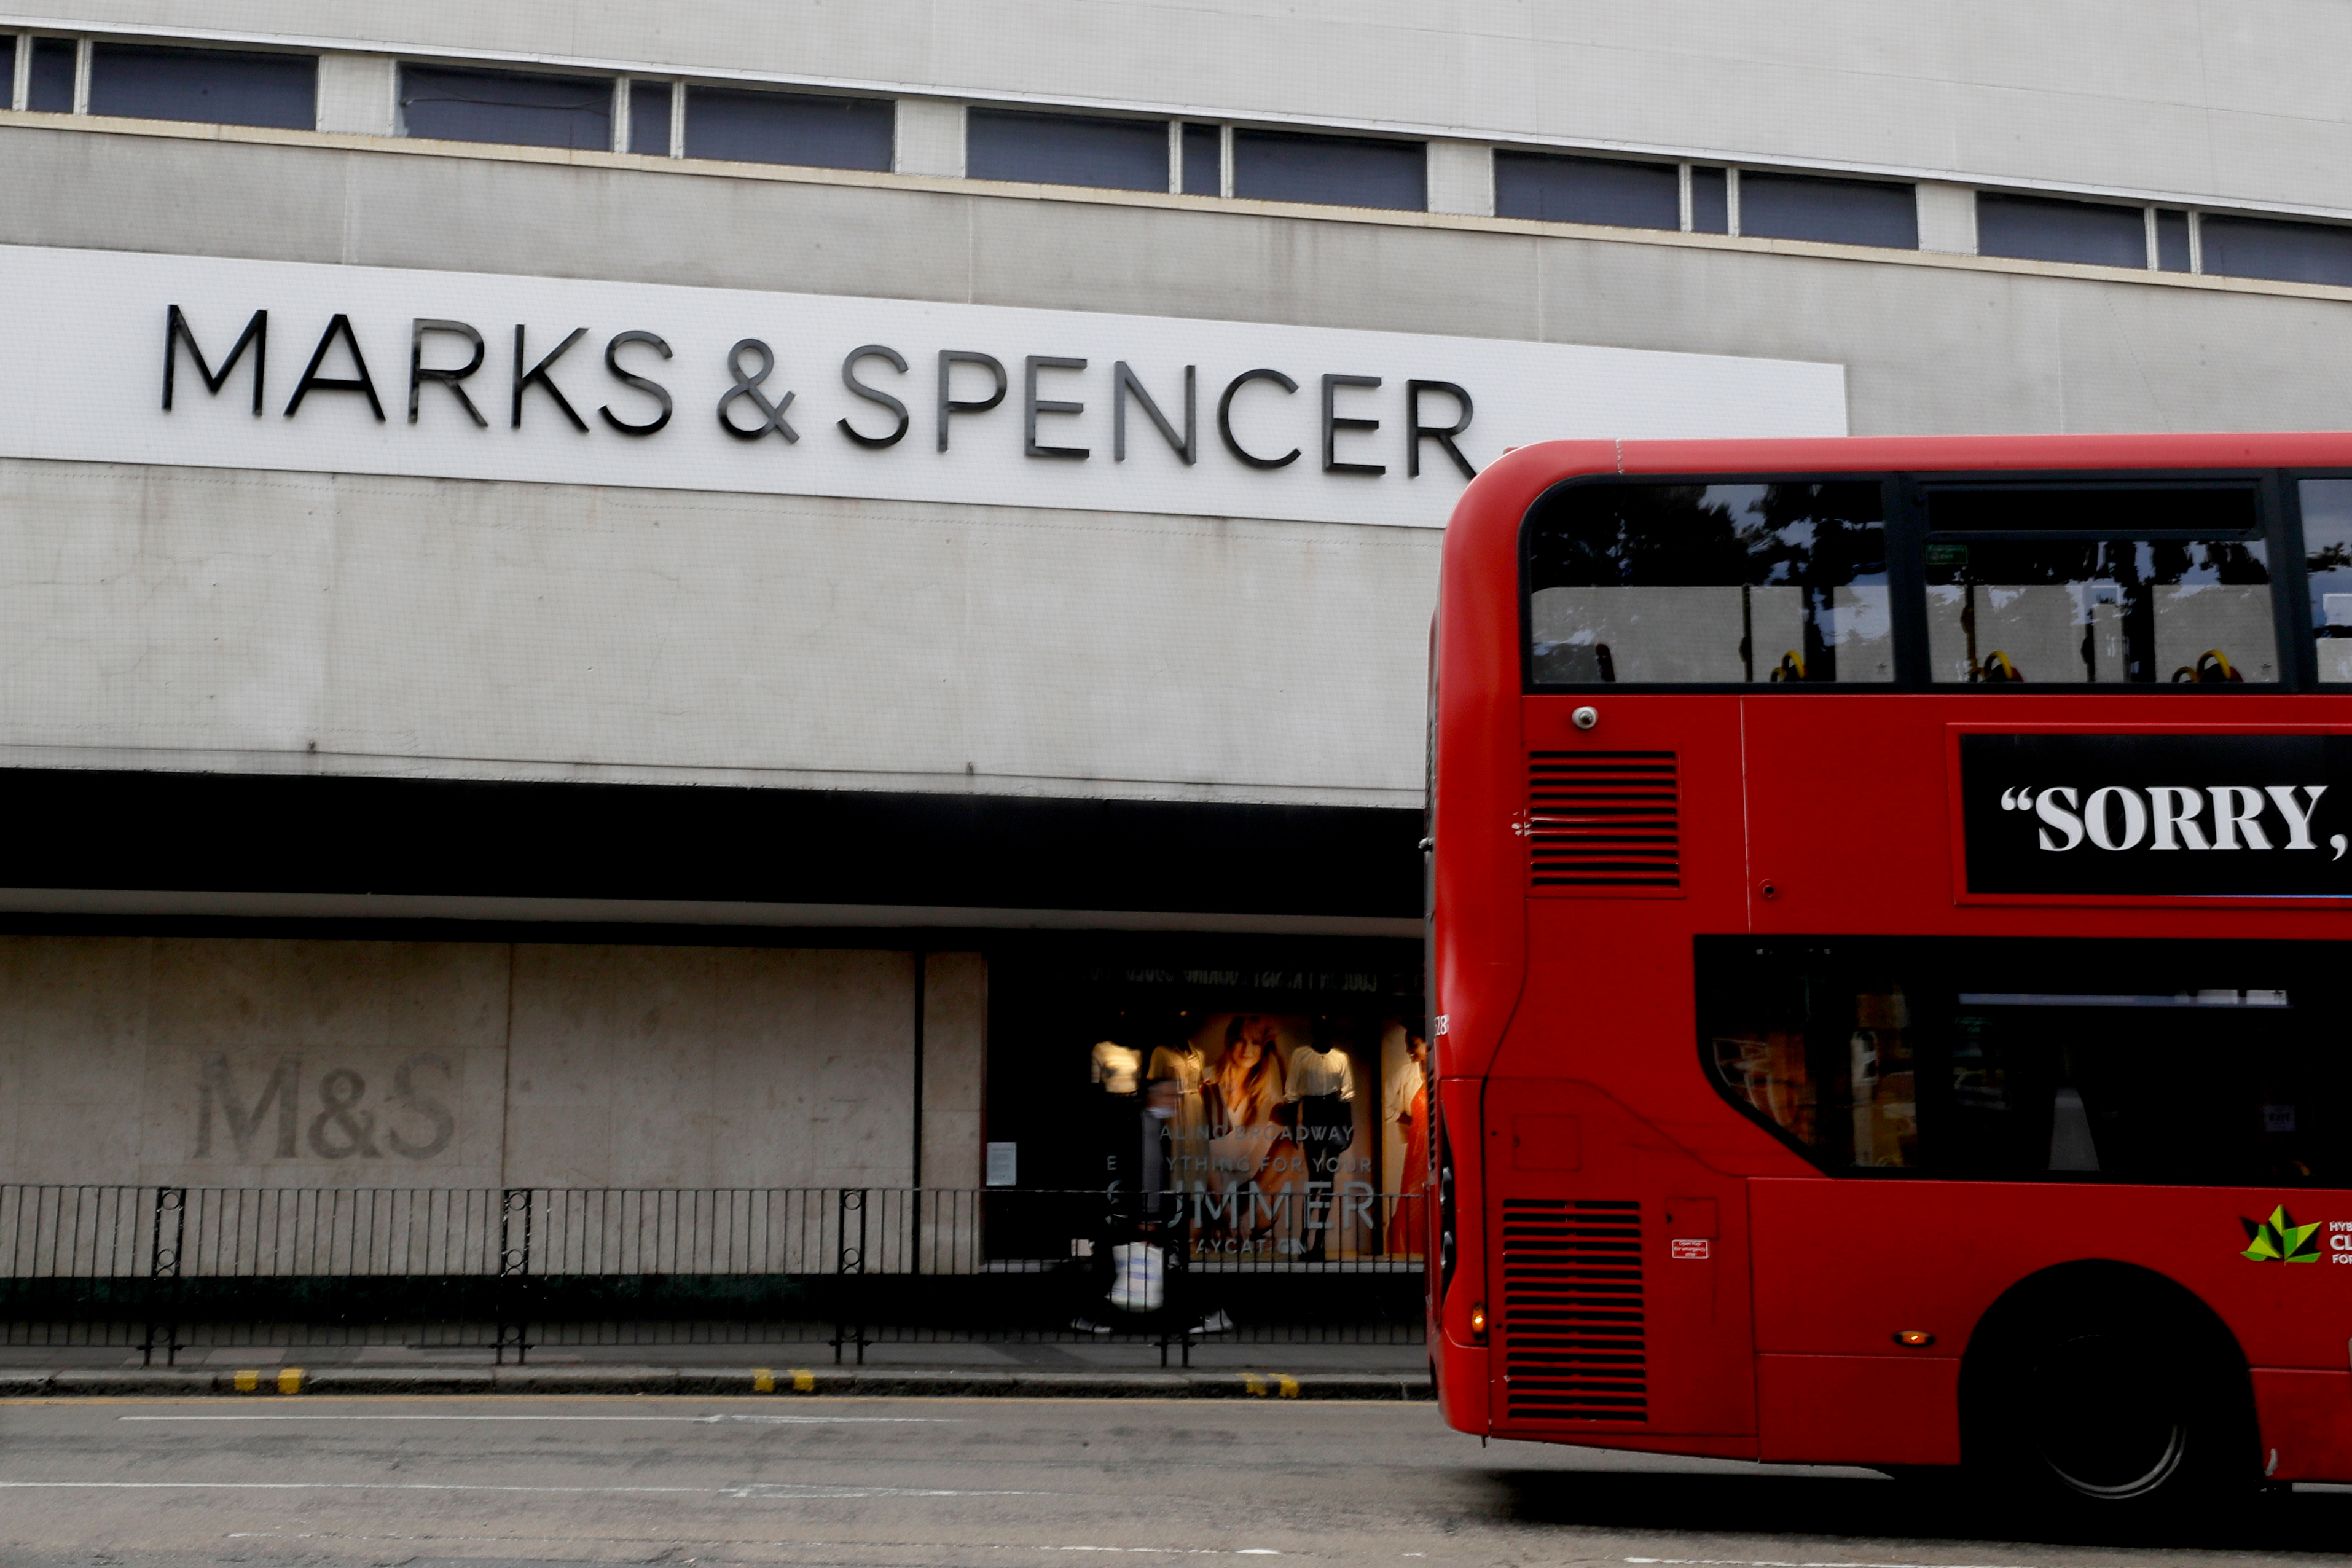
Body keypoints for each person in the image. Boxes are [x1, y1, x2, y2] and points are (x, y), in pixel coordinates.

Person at [1285, 1017, 1358, 1261]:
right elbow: (1293, 1093)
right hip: (1313, 1111)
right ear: (1314, 1029)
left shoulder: (1340, 1058)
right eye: (1319, 1027)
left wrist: (1348, 1127)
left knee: (1329, 1177)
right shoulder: (1301, 1056)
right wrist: (1293, 1127)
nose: (1323, 1031)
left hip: (1334, 1111)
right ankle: (1305, 1238)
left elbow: (1346, 1096)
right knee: (1315, 1177)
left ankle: (1319, 1242)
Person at [1386, 1029, 1430, 1256]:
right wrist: (1412, 1122)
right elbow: (1386, 1106)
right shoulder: (1405, 1073)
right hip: (1417, 1148)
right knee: (1411, 1200)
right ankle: (1405, 1250)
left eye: (1412, 1044)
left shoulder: (1442, 1068)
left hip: (1434, 1148)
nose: (1408, 1051)